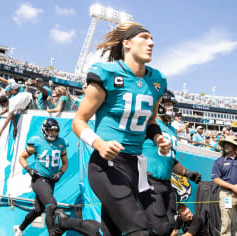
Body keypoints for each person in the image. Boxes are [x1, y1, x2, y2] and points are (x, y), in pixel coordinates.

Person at [72, 22, 170, 236]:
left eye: (152, 38)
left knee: (117, 231)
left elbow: (151, 121)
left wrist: (158, 139)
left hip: (135, 166)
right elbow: (78, 121)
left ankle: (74, 226)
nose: (151, 42)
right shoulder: (106, 73)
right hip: (107, 165)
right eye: (144, 37)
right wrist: (99, 143)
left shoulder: (157, 80)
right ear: (127, 44)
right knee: (140, 231)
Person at [139, 90, 201, 235]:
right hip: (150, 179)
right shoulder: (151, 124)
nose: (170, 108)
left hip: (167, 182)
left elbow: (170, 160)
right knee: (156, 226)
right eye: (167, 104)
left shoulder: (172, 129)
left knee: (170, 224)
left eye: (171, 105)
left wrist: (187, 173)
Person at [15, 118, 68, 236]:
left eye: (55, 131)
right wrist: (29, 169)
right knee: (51, 205)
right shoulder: (37, 142)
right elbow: (22, 157)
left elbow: (65, 163)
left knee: (38, 210)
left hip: (50, 182)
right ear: (44, 130)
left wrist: (60, 173)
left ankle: (19, 229)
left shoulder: (61, 143)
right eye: (50, 131)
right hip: (39, 179)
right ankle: (52, 234)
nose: (53, 133)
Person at [211, 136, 237, 236]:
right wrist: (233, 187)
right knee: (226, 225)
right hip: (226, 195)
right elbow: (217, 180)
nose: (226, 145)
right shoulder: (219, 161)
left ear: (235, 146)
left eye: (229, 143)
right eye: (225, 143)